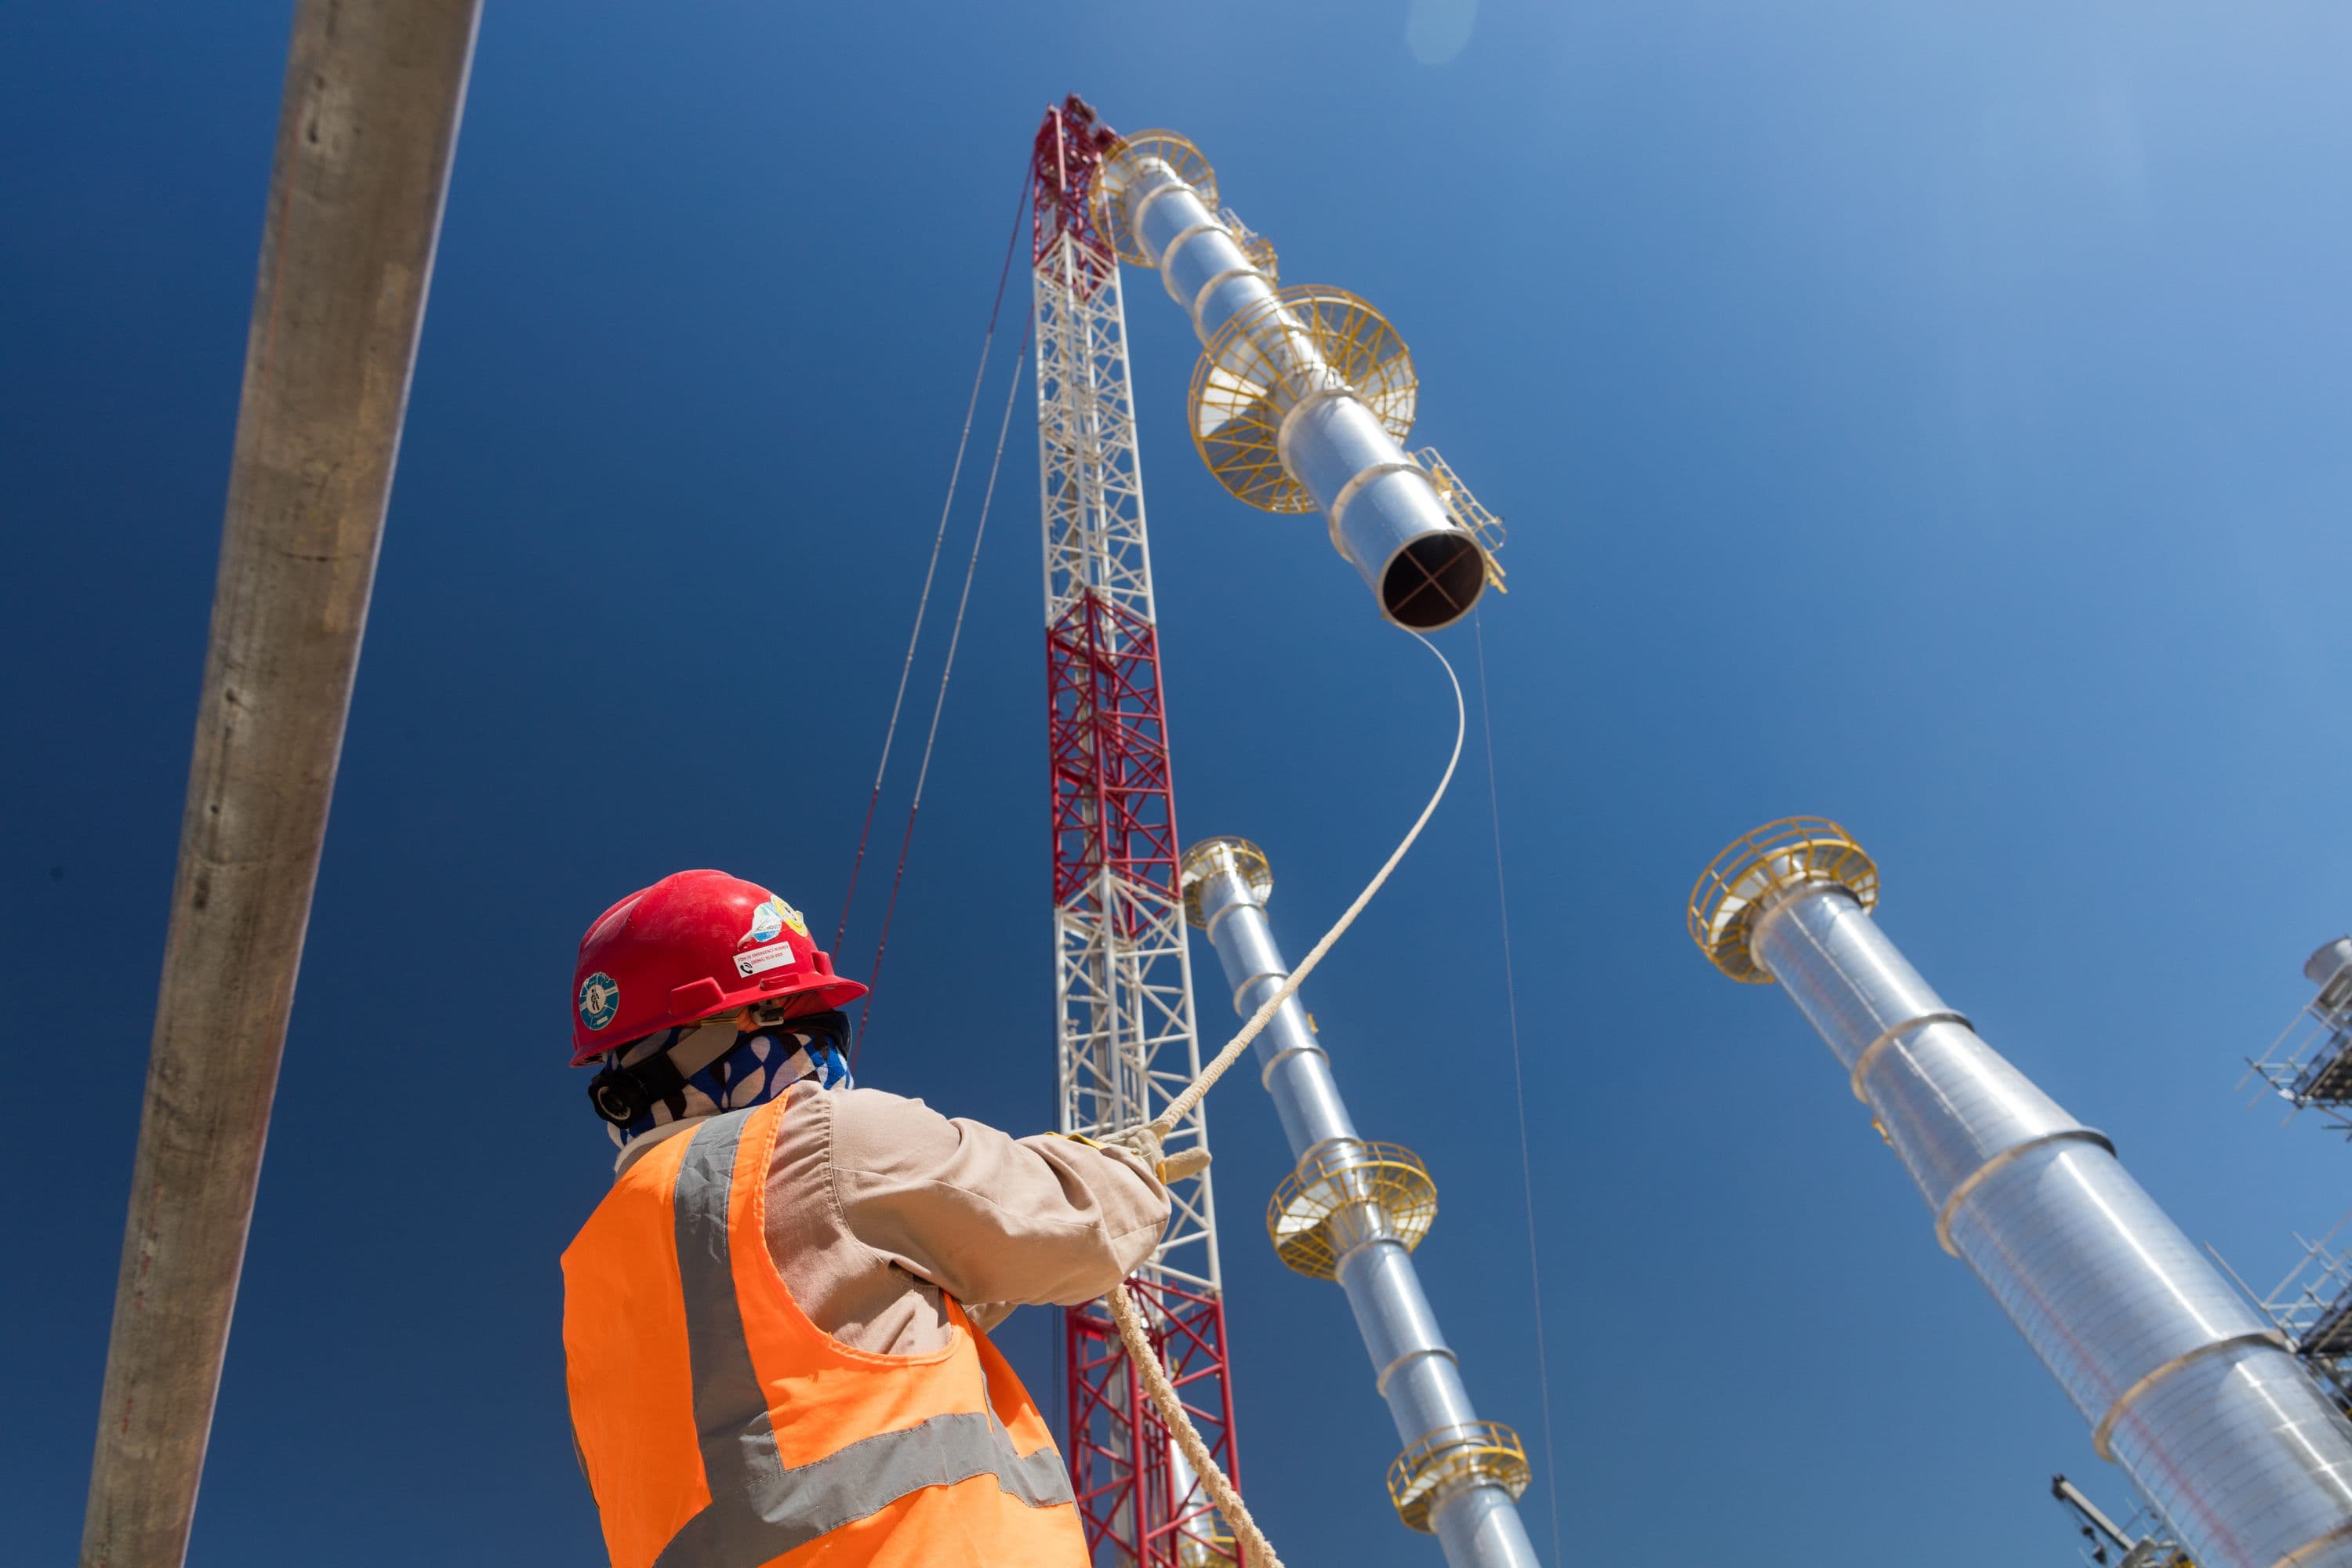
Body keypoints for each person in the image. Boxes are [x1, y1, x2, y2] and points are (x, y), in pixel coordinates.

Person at [560, 869, 1195, 1568]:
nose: (824, 1051)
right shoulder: (815, 1139)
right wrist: (1124, 1164)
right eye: (805, 1018)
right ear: (739, 1024)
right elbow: (1075, 1224)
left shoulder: (594, 1277)